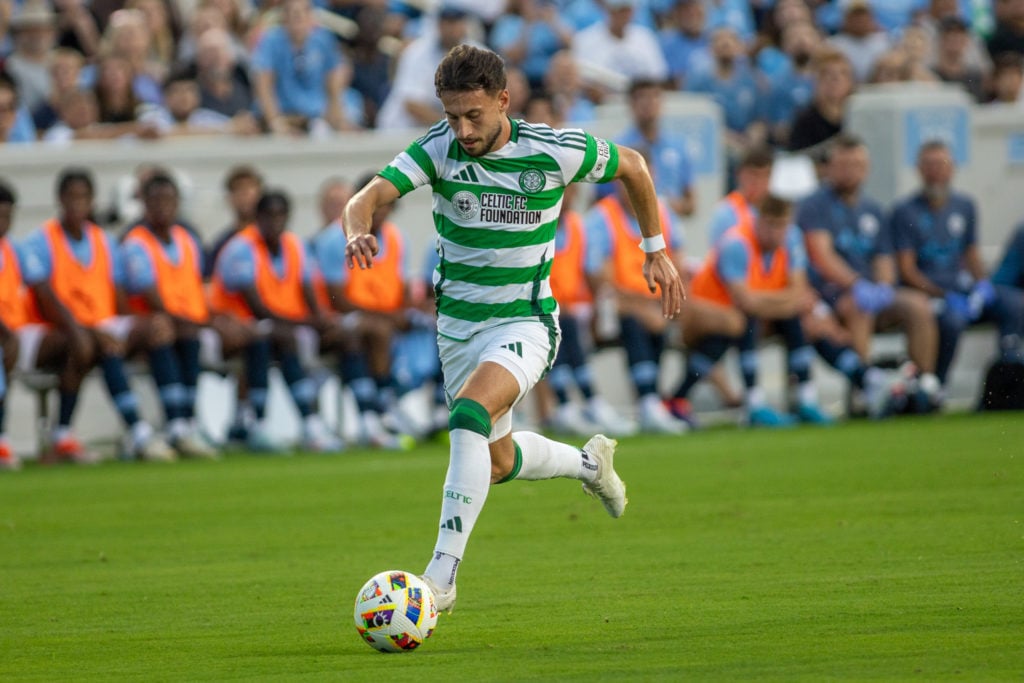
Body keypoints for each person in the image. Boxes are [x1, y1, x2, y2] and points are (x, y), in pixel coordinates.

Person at [343, 45, 684, 613]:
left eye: (473, 115)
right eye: (452, 115)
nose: (462, 128)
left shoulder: (552, 149)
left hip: (525, 322)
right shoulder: (438, 148)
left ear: (503, 101)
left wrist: (655, 249)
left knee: (468, 416)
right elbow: (367, 197)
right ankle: (589, 465)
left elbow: (634, 167)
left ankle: (440, 579)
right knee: (496, 462)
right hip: (457, 330)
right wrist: (358, 228)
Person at [19, 167, 178, 462]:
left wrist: (135, 332)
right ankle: (129, 431)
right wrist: (88, 330)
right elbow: (46, 301)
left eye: (83, 197)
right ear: (60, 200)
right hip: (59, 328)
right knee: (94, 343)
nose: (77, 204)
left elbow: (118, 299)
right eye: (72, 197)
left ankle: (179, 425)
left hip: (101, 324)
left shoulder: (104, 241)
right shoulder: (40, 241)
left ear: (92, 201)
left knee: (155, 327)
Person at [121, 172, 264, 457]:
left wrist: (220, 318)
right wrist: (208, 323)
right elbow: (154, 303)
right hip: (151, 329)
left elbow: (198, 292)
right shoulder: (135, 244)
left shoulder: (188, 239)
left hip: (193, 323)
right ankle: (179, 422)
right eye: (156, 199)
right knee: (172, 329)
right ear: (144, 204)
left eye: (169, 199)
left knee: (253, 333)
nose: (163, 206)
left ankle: (248, 422)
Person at [796, 134, 942, 411]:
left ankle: (922, 385)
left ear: (867, 168)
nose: (851, 170)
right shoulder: (815, 205)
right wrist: (858, 284)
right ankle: (865, 395)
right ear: (830, 167)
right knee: (859, 306)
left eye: (857, 164)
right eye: (844, 164)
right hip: (832, 295)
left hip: (871, 291)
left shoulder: (872, 209)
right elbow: (823, 256)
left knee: (918, 306)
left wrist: (885, 286)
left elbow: (884, 258)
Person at [674, 194, 837, 426]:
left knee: (794, 318)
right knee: (740, 323)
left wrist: (781, 303)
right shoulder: (736, 243)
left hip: (751, 314)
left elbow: (797, 292)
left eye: (782, 225)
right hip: (707, 313)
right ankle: (752, 402)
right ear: (758, 220)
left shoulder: (791, 239)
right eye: (771, 225)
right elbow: (745, 301)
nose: (777, 233)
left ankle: (806, 399)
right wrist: (786, 301)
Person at [209, 189, 343, 452]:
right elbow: (257, 308)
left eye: (281, 215)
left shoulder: (296, 245)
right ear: (257, 217)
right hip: (238, 324)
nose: (275, 222)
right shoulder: (240, 247)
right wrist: (306, 323)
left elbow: (308, 292)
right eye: (269, 215)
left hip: (283, 325)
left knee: (343, 336)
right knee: (274, 338)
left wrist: (321, 320)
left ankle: (369, 414)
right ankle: (287, 420)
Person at [891, 140, 1024, 392]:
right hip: (932, 294)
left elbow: (971, 253)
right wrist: (943, 295)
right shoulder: (905, 211)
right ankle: (937, 386)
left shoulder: (964, 206)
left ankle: (1010, 371)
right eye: (929, 165)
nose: (936, 171)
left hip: (962, 290)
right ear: (919, 170)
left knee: (1014, 303)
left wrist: (982, 284)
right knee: (951, 320)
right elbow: (907, 270)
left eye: (941, 164)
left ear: (953, 168)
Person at [310, 173, 417, 448]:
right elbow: (338, 298)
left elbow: (401, 284)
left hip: (384, 316)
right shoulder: (335, 237)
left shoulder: (397, 237)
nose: (381, 210)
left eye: (386, 203)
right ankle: (381, 410)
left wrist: (404, 312)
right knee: (375, 331)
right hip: (340, 318)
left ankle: (434, 408)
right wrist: (389, 316)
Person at [584, 180, 691, 434]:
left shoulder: (663, 212)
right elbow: (601, 281)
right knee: (635, 319)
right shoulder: (602, 217)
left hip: (658, 303)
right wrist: (644, 307)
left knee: (686, 317)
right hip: (612, 308)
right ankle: (649, 400)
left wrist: (670, 301)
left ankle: (669, 398)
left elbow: (679, 265)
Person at [545, 184, 633, 437]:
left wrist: (601, 310)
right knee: (562, 323)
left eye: (572, 191)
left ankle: (579, 405)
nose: (569, 198)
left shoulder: (576, 225)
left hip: (570, 310)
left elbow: (589, 273)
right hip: (537, 310)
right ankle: (577, 403)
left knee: (568, 323)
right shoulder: (535, 224)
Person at [251, 0, 353, 136]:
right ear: (284, 17)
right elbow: (263, 84)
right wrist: (275, 122)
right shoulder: (271, 41)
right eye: (293, 13)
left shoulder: (323, 40)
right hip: (284, 114)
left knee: (353, 107)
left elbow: (333, 83)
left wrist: (337, 119)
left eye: (303, 13)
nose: (298, 18)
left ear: (311, 16)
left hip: (316, 116)